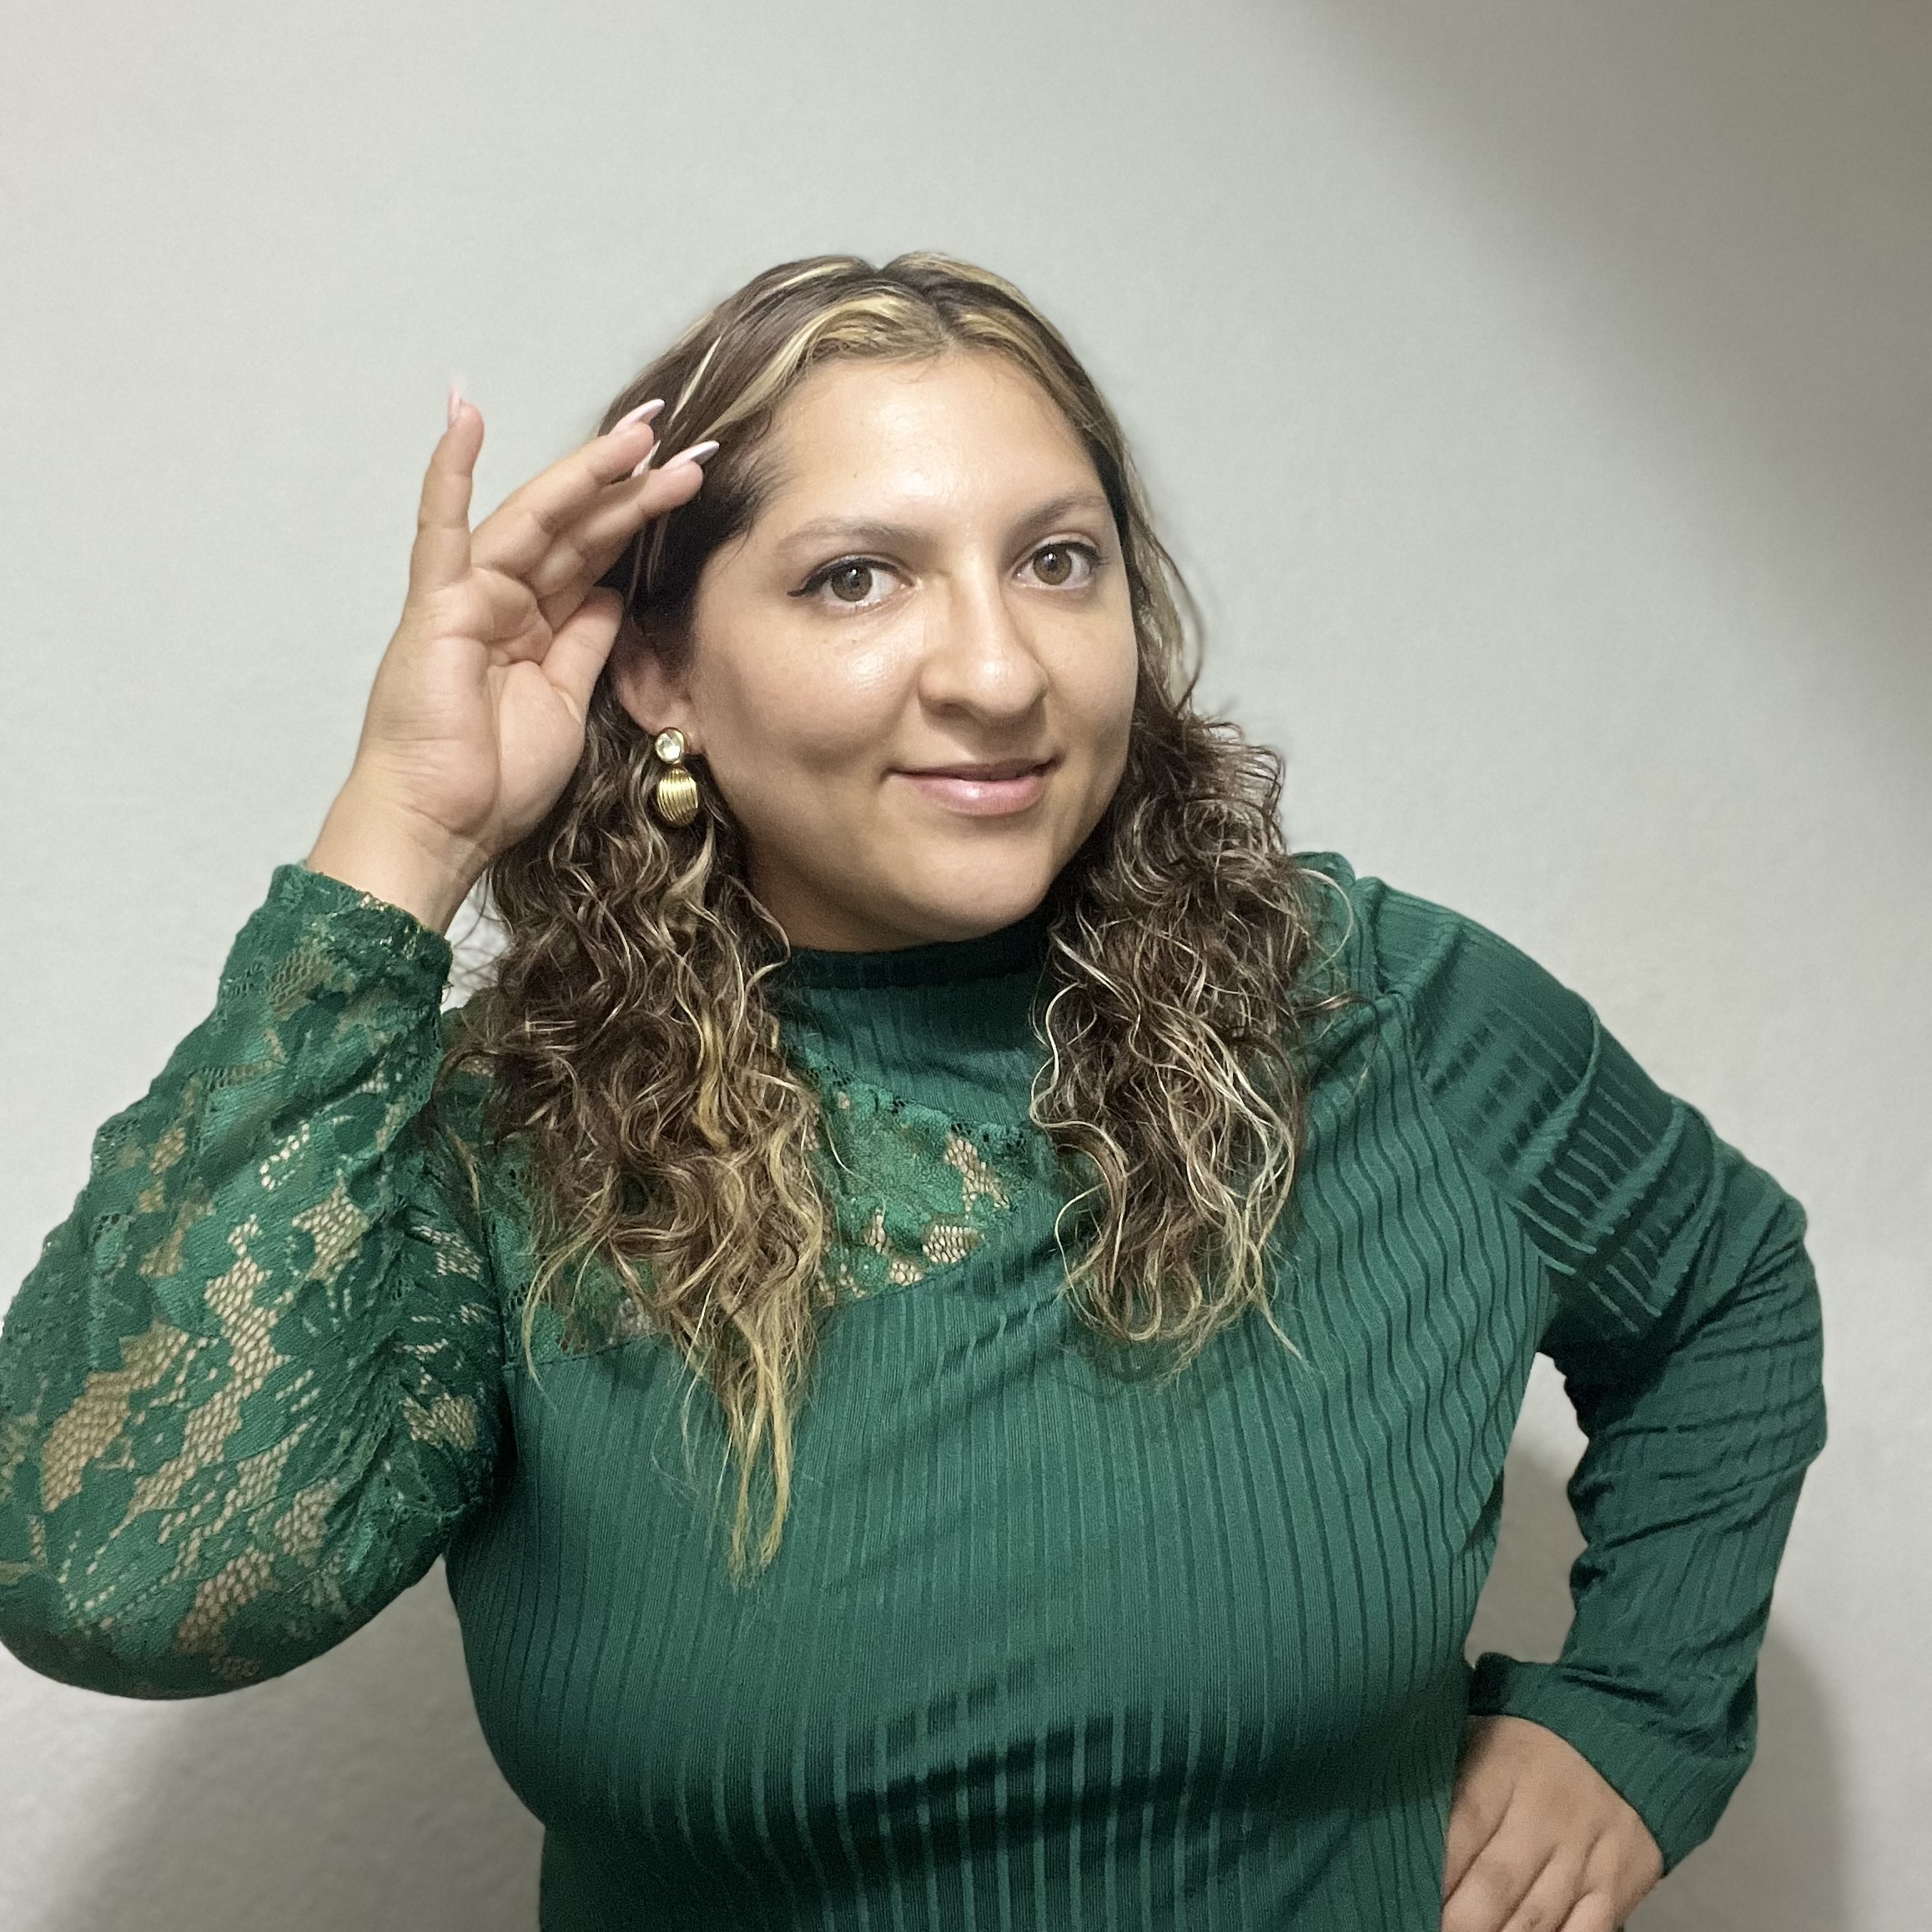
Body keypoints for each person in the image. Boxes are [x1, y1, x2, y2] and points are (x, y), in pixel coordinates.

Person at [0, 253, 1824, 1932]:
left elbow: (1726, 1292)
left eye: (1059, 561)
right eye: (856, 577)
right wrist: (405, 831)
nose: (999, 671)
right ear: (659, 668)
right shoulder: (511, 1139)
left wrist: (1635, 1718)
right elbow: (114, 1581)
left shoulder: (1378, 1011)